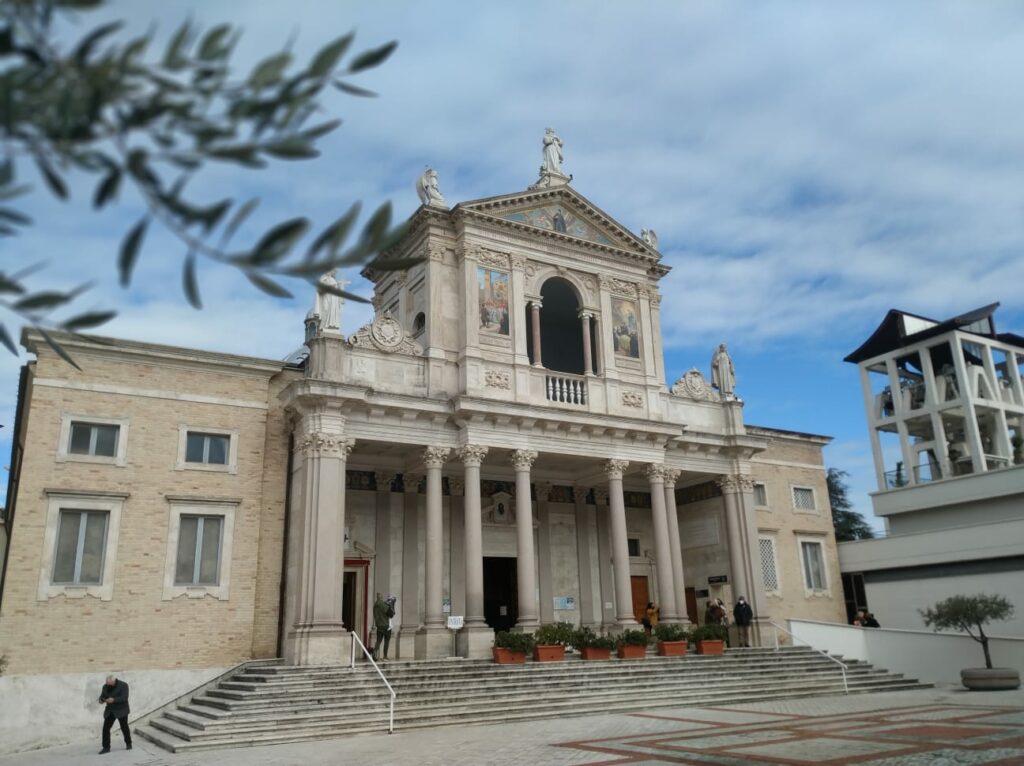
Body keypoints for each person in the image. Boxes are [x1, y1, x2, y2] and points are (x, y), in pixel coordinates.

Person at [98, 674, 131, 754]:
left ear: (114, 681)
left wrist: (114, 700)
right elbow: (102, 696)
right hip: (110, 710)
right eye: (106, 683)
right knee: (105, 728)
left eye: (109, 683)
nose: (107, 684)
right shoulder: (105, 686)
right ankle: (106, 747)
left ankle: (128, 743)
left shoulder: (123, 685)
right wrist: (101, 700)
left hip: (121, 710)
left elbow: (124, 697)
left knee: (124, 727)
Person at [371, 592, 395, 661]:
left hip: (379, 626)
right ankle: (385, 656)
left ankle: (375, 655)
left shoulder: (375, 605)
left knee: (378, 641)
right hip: (386, 625)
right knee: (386, 641)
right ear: (381, 597)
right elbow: (391, 614)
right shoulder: (383, 604)